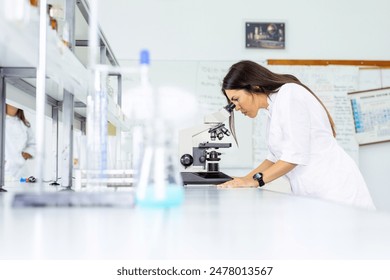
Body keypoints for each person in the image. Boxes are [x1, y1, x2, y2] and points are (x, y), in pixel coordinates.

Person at [218, 60, 375, 210]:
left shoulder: (289, 93)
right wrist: (242, 181)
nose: (236, 108)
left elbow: (294, 156)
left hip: (336, 189)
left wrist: (255, 182)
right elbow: (273, 158)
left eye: (236, 99)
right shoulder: (273, 110)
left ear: (254, 87)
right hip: (313, 193)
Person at [4, 104, 36, 181]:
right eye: (10, 104)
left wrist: (27, 153)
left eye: (15, 105)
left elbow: (33, 144)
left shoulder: (24, 124)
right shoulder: (2, 121)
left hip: (21, 170)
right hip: (4, 169)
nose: (13, 107)